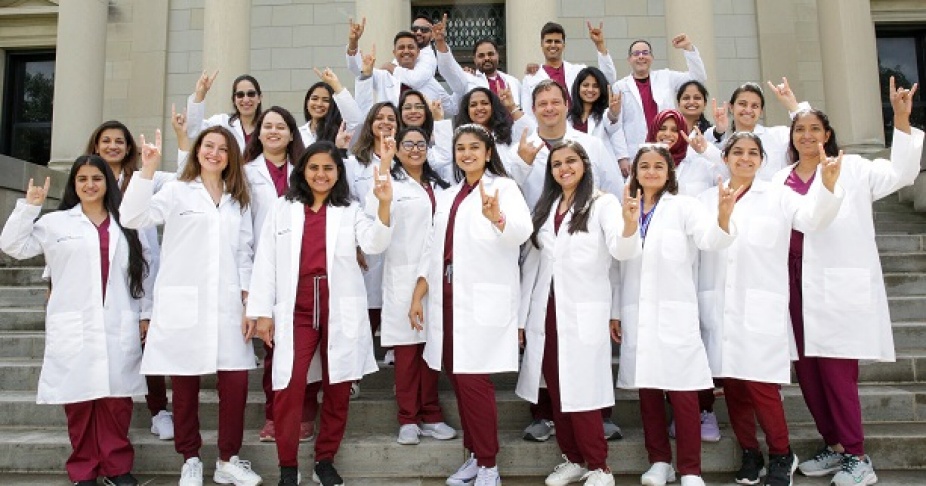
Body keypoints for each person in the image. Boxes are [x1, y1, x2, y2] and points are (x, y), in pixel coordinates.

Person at [774, 78, 923, 486]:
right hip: (793, 284)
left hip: (838, 286)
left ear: (828, 135)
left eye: (815, 130)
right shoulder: (781, 178)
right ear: (792, 136)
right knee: (807, 373)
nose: (806, 136)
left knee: (838, 375)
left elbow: (903, 173)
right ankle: (835, 446)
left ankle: (858, 455)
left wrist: (902, 118)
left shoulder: (854, 168)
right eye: (799, 129)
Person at [698, 132, 844, 486]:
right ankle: (750, 453)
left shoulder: (779, 196)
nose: (745, 159)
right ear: (725, 158)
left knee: (762, 387)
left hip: (761, 308)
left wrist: (826, 187)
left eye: (752, 153)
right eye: (737, 152)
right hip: (720, 306)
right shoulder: (704, 199)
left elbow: (812, 220)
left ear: (762, 160)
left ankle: (781, 453)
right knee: (732, 387)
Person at [120, 127, 261, 486]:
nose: (214, 153)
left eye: (222, 148)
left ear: (231, 156)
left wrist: (249, 300)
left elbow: (245, 252)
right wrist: (147, 169)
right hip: (184, 302)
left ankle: (228, 459)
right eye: (207, 147)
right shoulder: (178, 191)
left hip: (229, 303)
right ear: (197, 151)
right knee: (184, 385)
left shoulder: (238, 198)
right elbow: (132, 218)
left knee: (236, 383)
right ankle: (191, 458)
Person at [248, 141, 393, 486]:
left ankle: (324, 460)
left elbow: (374, 243)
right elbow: (265, 260)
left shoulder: (350, 209)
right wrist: (262, 312)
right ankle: (287, 467)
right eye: (314, 167)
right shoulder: (283, 208)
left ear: (338, 173)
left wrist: (384, 203)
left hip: (337, 305)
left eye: (328, 168)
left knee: (338, 386)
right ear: (303, 171)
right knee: (288, 385)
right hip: (295, 306)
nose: (320, 174)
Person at [1, 156, 151, 486]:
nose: (89, 184)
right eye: (82, 179)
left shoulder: (126, 223)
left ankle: (116, 468)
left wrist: (144, 313)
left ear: (107, 183)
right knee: (79, 402)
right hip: (75, 324)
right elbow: (12, 245)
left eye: (96, 178)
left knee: (116, 401)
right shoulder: (56, 223)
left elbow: (143, 274)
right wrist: (30, 207)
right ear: (74, 184)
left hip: (117, 323)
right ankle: (83, 470)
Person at [409, 124, 532, 486]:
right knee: (459, 379)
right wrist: (419, 293)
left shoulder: (504, 188)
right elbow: (433, 247)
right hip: (448, 299)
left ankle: (490, 465)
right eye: (460, 148)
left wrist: (496, 217)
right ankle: (477, 457)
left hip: (482, 299)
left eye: (474, 148)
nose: (467, 154)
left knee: (474, 381)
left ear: (488, 152)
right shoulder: (448, 195)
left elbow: (521, 232)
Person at [517, 141, 642, 486]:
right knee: (557, 389)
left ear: (584, 164)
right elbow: (532, 266)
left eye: (571, 161)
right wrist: (522, 318)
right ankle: (572, 459)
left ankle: (600, 467)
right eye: (557, 164)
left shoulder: (604, 203)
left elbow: (621, 250)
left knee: (583, 391)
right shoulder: (547, 206)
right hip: (546, 312)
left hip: (583, 311)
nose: (564, 168)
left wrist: (631, 224)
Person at [616, 144, 742, 486]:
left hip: (675, 312)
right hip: (636, 310)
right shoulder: (625, 208)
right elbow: (617, 261)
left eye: (659, 165)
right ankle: (659, 461)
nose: (652, 171)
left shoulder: (684, 206)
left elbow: (709, 240)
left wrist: (724, 216)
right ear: (635, 172)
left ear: (669, 172)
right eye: (645, 166)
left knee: (685, 392)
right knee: (649, 391)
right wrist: (615, 312)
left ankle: (690, 468)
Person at [83, 120, 177, 441]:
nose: (112, 146)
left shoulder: (143, 180)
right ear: (95, 146)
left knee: (147, 345)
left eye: (119, 142)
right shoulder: (86, 183)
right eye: (106, 141)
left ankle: (159, 410)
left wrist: (148, 307)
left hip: (137, 279)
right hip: (99, 283)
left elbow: (186, 177)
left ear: (128, 148)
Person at [365, 127, 456, 445]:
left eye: (421, 143)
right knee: (406, 353)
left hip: (437, 277)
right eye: (408, 144)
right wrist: (385, 166)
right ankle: (407, 418)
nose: (415, 149)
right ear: (397, 149)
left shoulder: (441, 186)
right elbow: (376, 231)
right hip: (403, 279)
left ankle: (430, 414)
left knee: (431, 349)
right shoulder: (388, 182)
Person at [240, 105, 316, 443]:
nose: (273, 132)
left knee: (307, 351)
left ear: (290, 133)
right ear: (258, 134)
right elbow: (241, 227)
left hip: (304, 268)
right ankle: (275, 414)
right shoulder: (244, 172)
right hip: (264, 270)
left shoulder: (308, 170)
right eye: (266, 126)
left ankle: (305, 415)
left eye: (280, 126)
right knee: (274, 350)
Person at [513, 79, 624, 208]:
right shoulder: (518, 152)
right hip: (539, 225)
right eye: (543, 104)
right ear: (533, 109)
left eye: (555, 102)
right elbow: (510, 198)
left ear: (566, 105)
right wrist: (522, 165)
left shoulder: (593, 145)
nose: (549, 108)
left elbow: (615, 192)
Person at [611, 35, 707, 176]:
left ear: (652, 58)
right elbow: (616, 124)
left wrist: (688, 49)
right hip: (636, 152)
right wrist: (622, 157)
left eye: (645, 53)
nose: (641, 57)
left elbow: (698, 79)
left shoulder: (666, 77)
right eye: (636, 54)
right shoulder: (620, 86)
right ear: (629, 60)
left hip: (668, 146)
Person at [705, 78, 806, 181]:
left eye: (755, 106)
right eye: (742, 104)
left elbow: (810, 133)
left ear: (761, 111)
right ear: (731, 107)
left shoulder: (778, 135)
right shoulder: (723, 145)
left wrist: (793, 106)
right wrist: (719, 130)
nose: (748, 110)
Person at [352, 31, 455, 117]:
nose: (406, 51)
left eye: (410, 47)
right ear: (394, 52)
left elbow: (452, 107)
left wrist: (462, 78)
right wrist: (353, 44)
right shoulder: (384, 76)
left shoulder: (428, 80)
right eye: (401, 47)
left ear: (418, 52)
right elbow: (358, 71)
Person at [432, 13, 522, 109]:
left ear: (498, 55)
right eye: (481, 56)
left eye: (490, 54)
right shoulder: (467, 80)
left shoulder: (513, 82)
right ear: (474, 59)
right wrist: (440, 42)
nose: (487, 58)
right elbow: (449, 69)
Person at [520, 21, 617, 110]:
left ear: (564, 45)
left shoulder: (578, 71)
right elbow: (528, 113)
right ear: (541, 45)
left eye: (557, 41)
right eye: (549, 41)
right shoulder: (530, 78)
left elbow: (607, 81)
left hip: (580, 127)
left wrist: (600, 44)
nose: (553, 45)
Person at [644, 109, 721, 197]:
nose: (667, 134)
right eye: (662, 129)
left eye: (674, 130)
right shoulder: (642, 165)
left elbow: (729, 176)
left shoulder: (699, 164)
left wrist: (707, 150)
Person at [186, 72, 263, 152]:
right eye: (240, 95)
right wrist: (200, 94)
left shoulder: (268, 126)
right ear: (234, 100)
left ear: (259, 98)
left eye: (251, 94)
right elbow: (194, 131)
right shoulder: (222, 122)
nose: (246, 99)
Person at [299, 68, 364, 146]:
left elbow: (357, 121)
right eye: (314, 99)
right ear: (307, 102)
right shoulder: (298, 133)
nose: (319, 104)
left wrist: (336, 85)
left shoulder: (341, 131)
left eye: (326, 100)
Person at [566, 66, 623, 156]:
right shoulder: (568, 117)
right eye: (585, 85)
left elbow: (613, 125)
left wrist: (614, 114)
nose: (590, 90)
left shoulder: (605, 114)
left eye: (595, 86)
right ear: (578, 87)